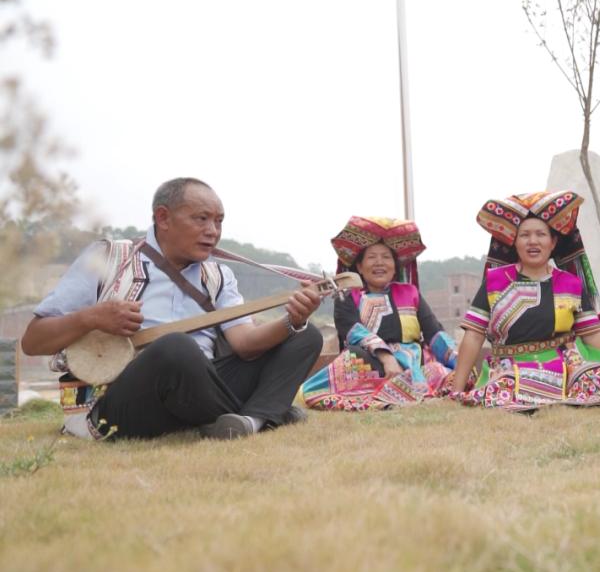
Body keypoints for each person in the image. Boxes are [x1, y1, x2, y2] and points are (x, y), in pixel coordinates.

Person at [21, 177, 323, 440]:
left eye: (219, 221)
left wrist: (292, 320)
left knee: (304, 335)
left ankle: (251, 421)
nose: (213, 231)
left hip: (202, 388)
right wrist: (92, 318)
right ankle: (268, 412)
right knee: (176, 348)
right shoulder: (108, 258)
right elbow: (33, 341)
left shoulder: (219, 277)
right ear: (163, 218)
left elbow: (245, 344)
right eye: (201, 219)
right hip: (120, 398)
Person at [448, 190, 600, 411]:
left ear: (553, 242)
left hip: (566, 363)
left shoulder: (571, 284)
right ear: (515, 242)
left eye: (541, 234)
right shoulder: (495, 282)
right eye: (525, 235)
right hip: (510, 366)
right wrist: (457, 391)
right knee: (505, 386)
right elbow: (474, 336)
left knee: (597, 375)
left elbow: (593, 335)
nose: (533, 241)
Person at [300, 217, 456, 411]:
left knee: (443, 372)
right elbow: (354, 333)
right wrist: (387, 357)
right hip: (371, 364)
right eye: (372, 257)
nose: (379, 263)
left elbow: (434, 333)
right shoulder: (346, 296)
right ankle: (394, 394)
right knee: (351, 359)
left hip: (416, 364)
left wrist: (458, 360)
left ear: (395, 266)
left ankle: (398, 393)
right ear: (359, 267)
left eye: (386, 257)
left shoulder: (410, 293)